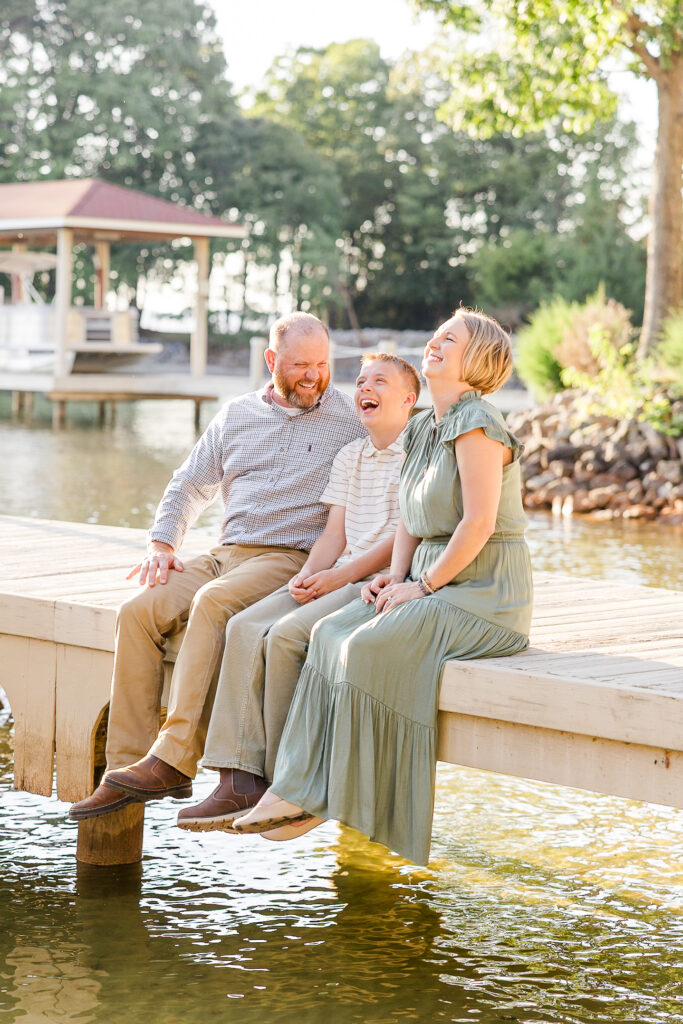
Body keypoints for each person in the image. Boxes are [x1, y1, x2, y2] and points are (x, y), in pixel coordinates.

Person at [232, 307, 534, 864]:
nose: (437, 343)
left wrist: (422, 588)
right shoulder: (424, 426)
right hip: (430, 576)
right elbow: (410, 520)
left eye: (451, 339)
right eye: (438, 335)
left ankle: (342, 795)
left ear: (478, 360)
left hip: (485, 593)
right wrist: (392, 579)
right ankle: (296, 789)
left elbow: (479, 523)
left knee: (365, 645)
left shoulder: (478, 423)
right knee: (327, 633)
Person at [69, 312, 365, 821]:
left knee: (212, 603)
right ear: (272, 361)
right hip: (224, 551)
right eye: (300, 365)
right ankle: (127, 770)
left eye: (322, 364)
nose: (314, 376)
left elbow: (402, 440)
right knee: (138, 611)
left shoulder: (350, 416)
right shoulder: (236, 415)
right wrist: (162, 542)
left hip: (288, 557)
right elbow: (189, 485)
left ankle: (174, 759)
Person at [176, 353, 420, 831]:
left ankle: (285, 777)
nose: (365, 388)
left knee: (284, 635)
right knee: (244, 625)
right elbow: (333, 533)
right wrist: (307, 575)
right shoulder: (351, 455)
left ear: (409, 399)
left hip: (373, 582)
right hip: (336, 573)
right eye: (362, 380)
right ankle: (237, 779)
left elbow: (401, 537)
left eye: (380, 382)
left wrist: (337, 578)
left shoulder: (416, 454)